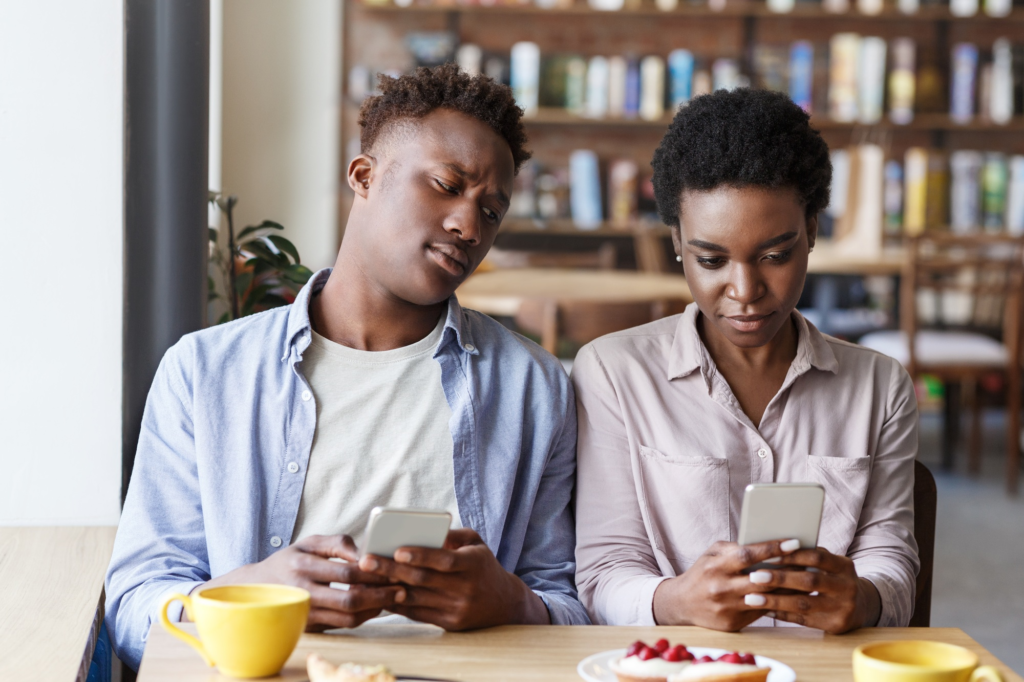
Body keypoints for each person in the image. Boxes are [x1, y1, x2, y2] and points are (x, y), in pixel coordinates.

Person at [105, 64, 588, 670]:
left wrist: (512, 600)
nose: (468, 225)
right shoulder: (205, 373)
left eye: (492, 211)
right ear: (364, 176)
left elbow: (571, 607)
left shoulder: (534, 388)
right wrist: (251, 596)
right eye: (445, 184)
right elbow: (132, 607)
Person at [572, 88, 919, 633]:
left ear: (812, 232)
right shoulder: (615, 375)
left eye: (775, 256)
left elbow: (891, 559)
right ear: (678, 243)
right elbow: (603, 573)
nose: (745, 290)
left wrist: (865, 598)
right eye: (711, 259)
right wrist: (675, 601)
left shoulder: (879, 387)